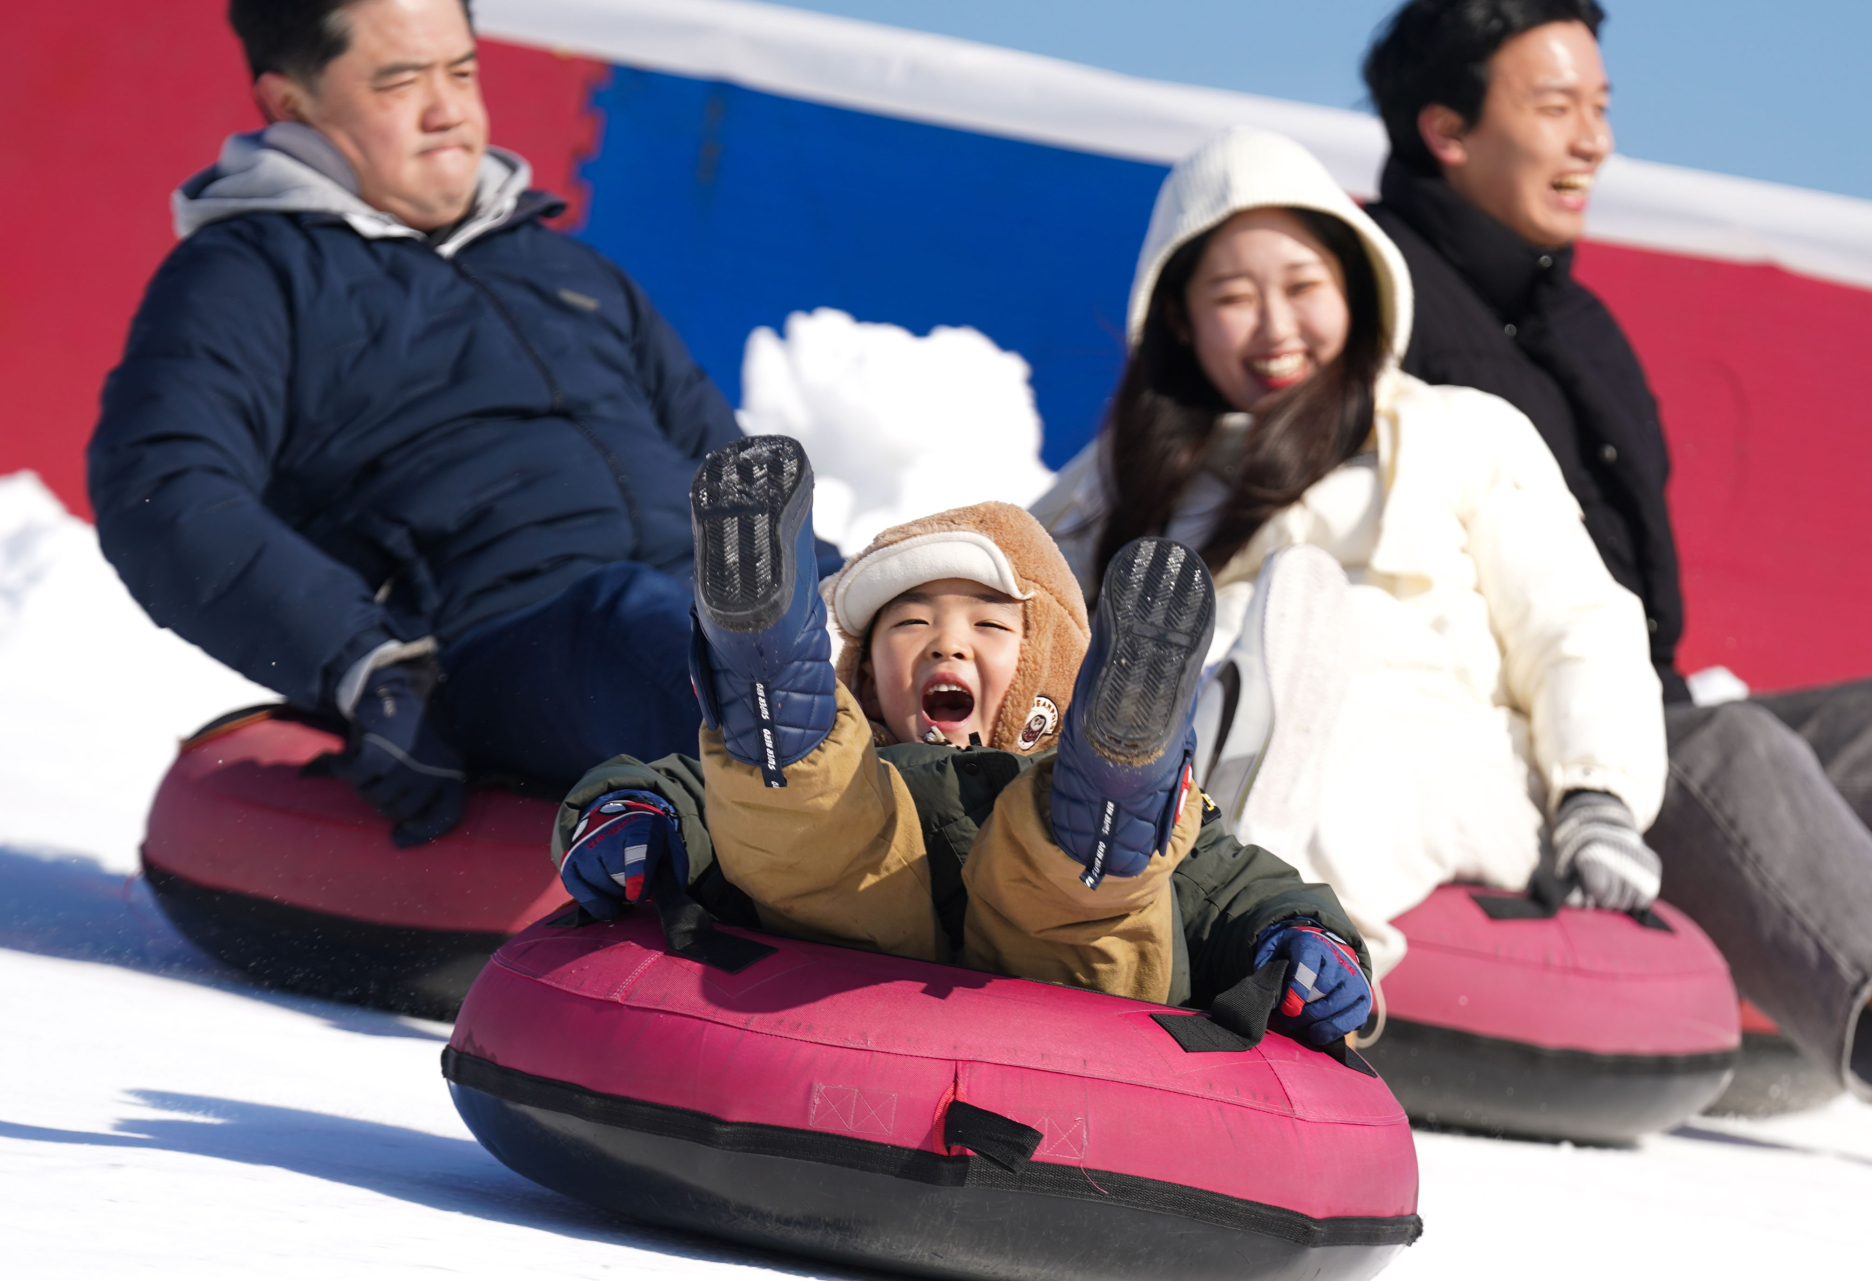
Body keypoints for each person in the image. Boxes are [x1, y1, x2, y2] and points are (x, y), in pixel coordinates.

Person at [89, 0, 832, 846]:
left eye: (462, 70)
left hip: (714, 620)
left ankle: (990, 842)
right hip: (514, 641)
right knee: (648, 627)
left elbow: (729, 475)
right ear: (292, 104)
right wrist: (364, 665)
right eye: (401, 81)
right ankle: (863, 858)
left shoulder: (566, 267)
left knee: (949, 590)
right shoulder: (247, 279)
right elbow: (160, 488)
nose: (447, 108)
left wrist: (865, 595)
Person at [1362, 0, 1872, 1100]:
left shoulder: (1582, 327)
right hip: (1513, 740)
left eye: (1602, 109)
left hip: (1645, 715)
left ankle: (1822, 1010)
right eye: (1557, 107)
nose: (1594, 142)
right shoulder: (1368, 300)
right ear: (1447, 130)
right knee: (1732, 756)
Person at [1032, 125, 1667, 983]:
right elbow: (1020, 583)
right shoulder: (1131, 478)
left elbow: (1575, 621)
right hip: (1184, 756)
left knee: (1340, 722)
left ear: (1354, 287)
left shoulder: (1457, 431)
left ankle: (1272, 955)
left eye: (1303, 286)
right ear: (1179, 316)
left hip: (1434, 748)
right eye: (1233, 297)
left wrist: (1596, 791)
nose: (1276, 327)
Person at [552, 437, 1374, 1045]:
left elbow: (1232, 884)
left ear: (1051, 669)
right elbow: (687, 790)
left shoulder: (1043, 770)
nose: (946, 645)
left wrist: (1300, 935)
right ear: (865, 677)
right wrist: (633, 812)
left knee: (1083, 879)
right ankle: (766, 687)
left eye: (988, 623)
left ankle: (1116, 776)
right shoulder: (868, 764)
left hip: (1065, 975)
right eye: (909, 624)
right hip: (843, 930)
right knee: (804, 807)